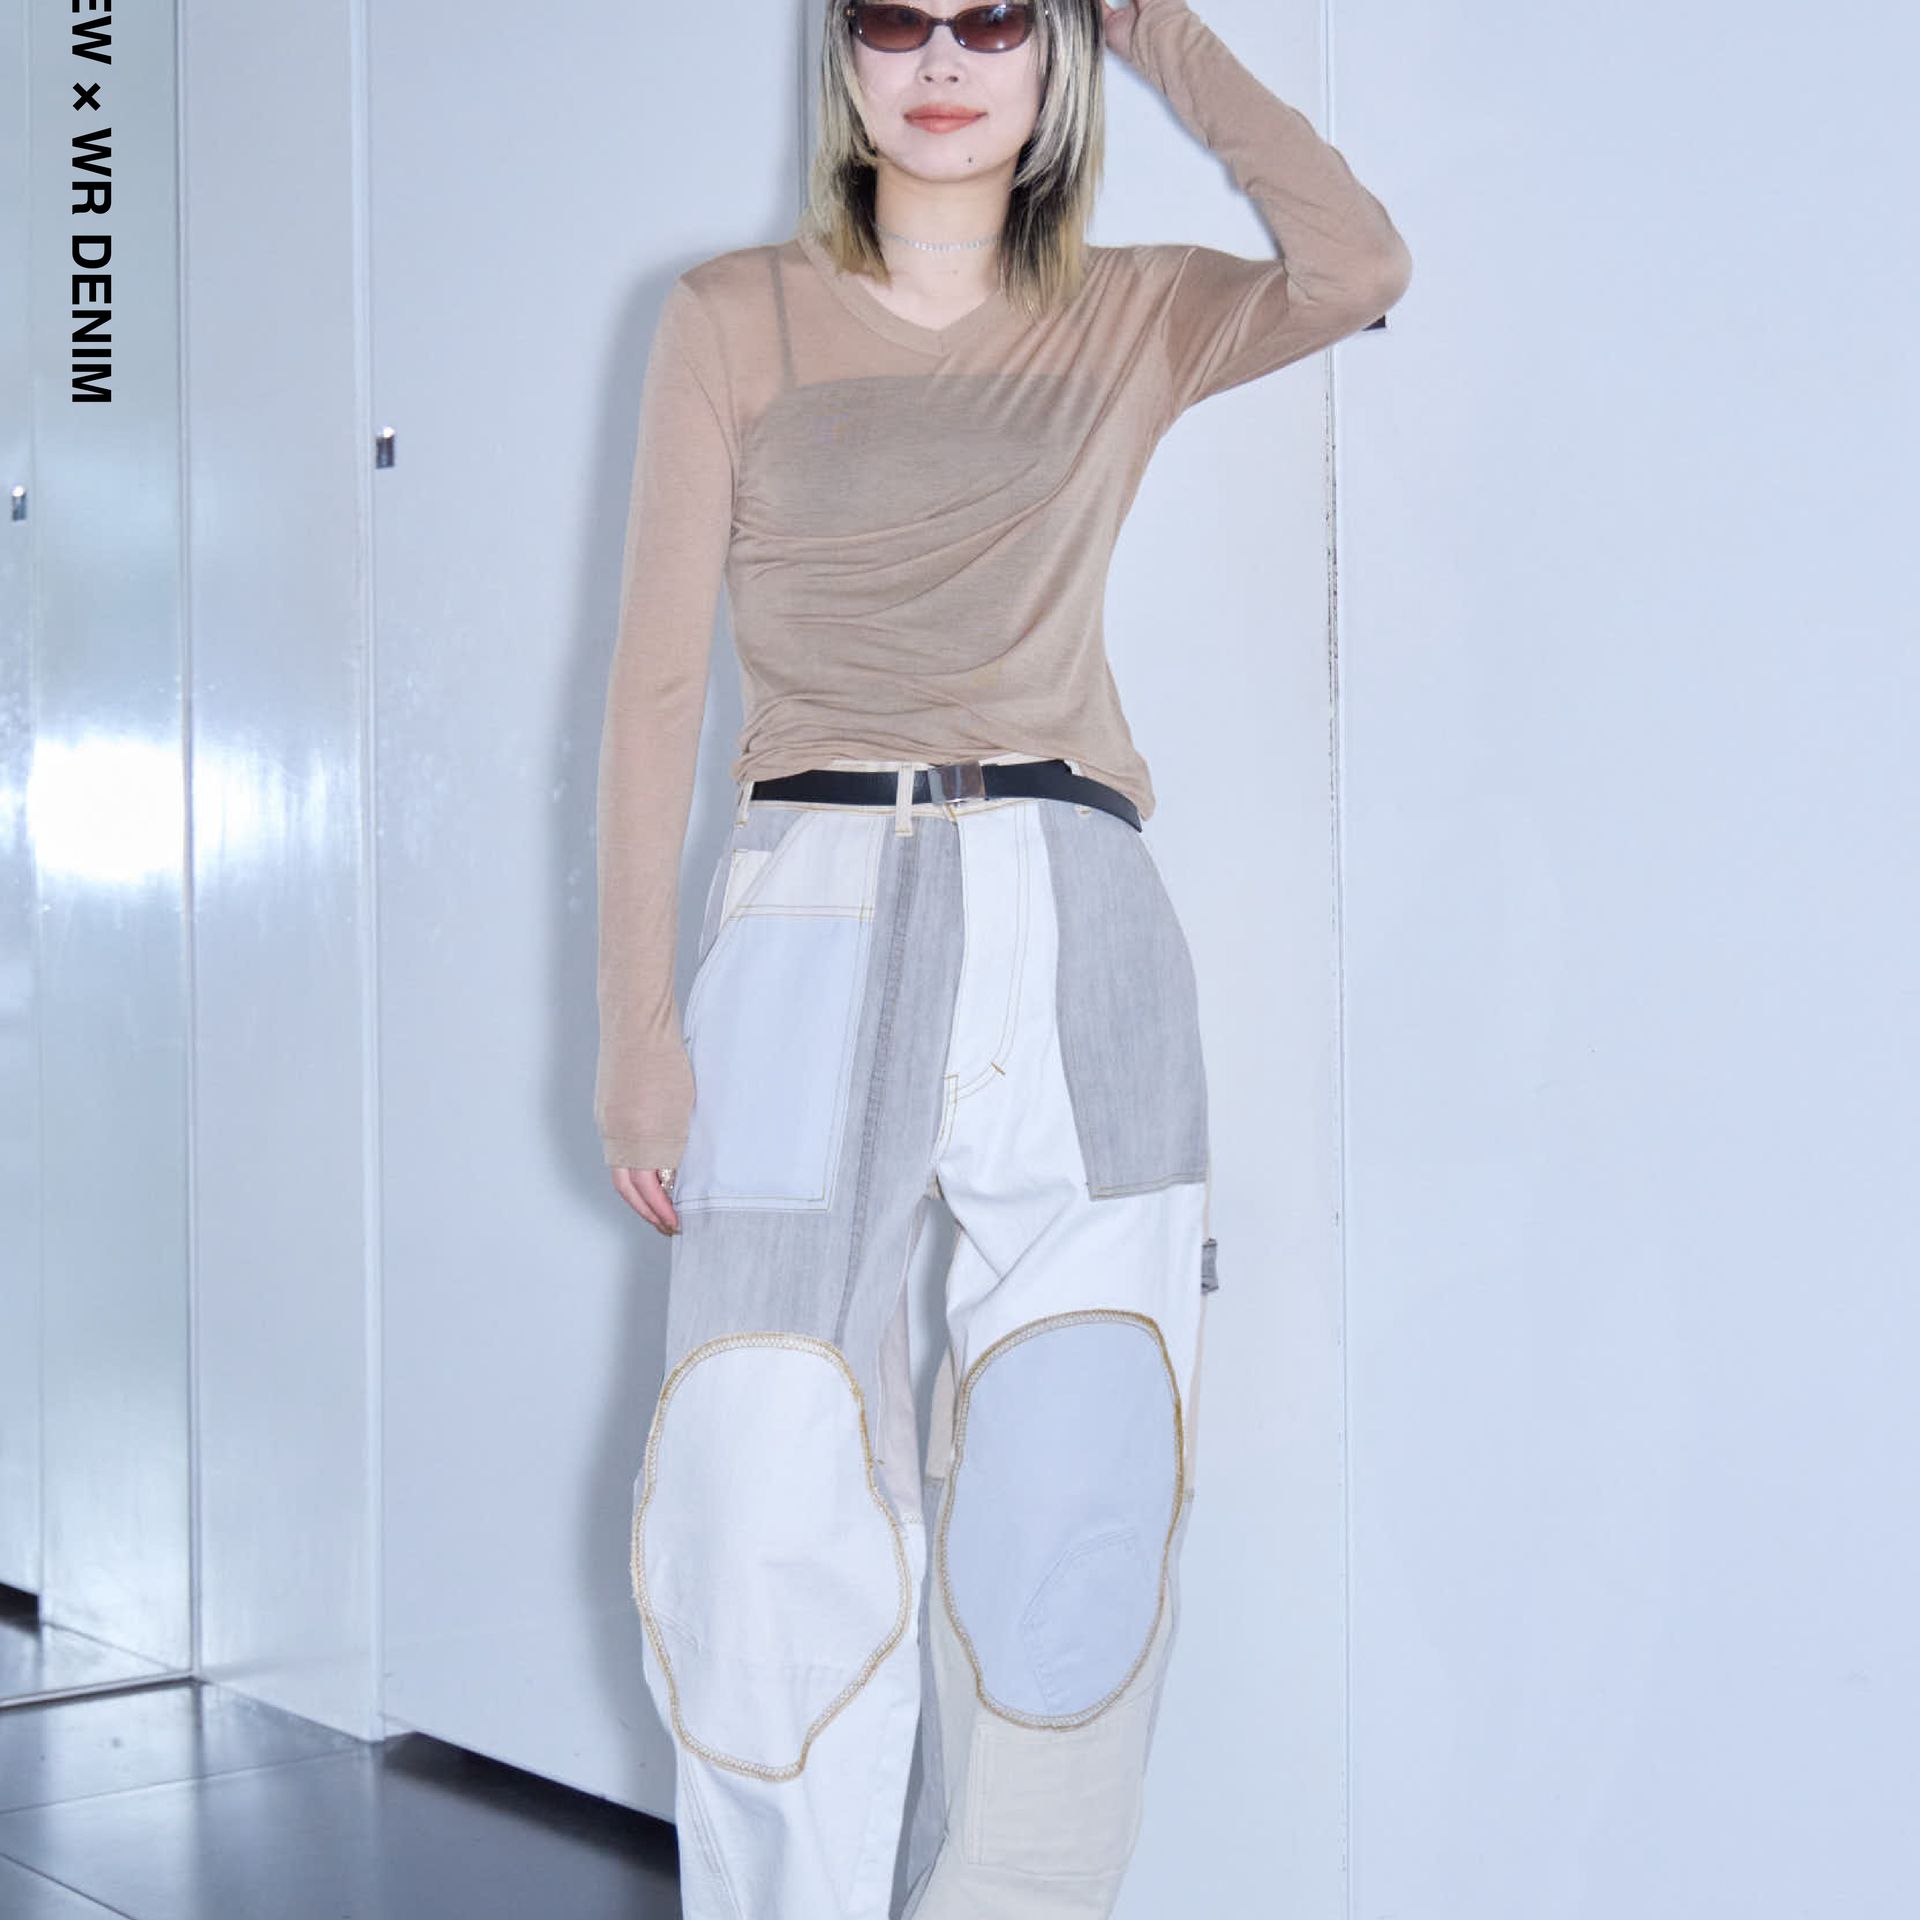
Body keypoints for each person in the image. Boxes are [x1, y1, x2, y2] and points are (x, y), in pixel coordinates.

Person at [593, 1, 1410, 1913]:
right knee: (757, 1463)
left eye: (996, 19)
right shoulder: (733, 313)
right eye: (897, 20)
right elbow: (650, 692)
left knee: (1079, 1462)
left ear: (1052, 59)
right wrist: (635, 1028)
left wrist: (1155, 28)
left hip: (1075, 905)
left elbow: (1357, 265)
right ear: (843, 59)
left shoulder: (1132, 309)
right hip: (808, 900)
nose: (944, 60)